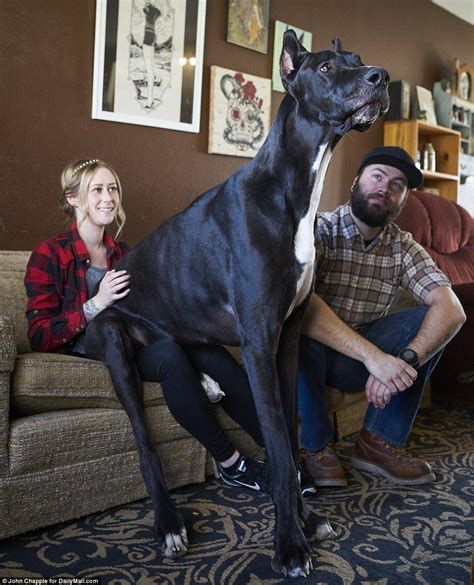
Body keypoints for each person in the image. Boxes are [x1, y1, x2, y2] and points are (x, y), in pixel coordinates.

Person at [24, 158, 272, 495]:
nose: (108, 197)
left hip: (140, 340)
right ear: (73, 198)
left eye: (112, 188)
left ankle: (278, 453)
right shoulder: (49, 255)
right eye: (97, 189)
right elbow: (39, 335)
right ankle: (232, 464)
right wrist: (97, 303)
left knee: (211, 352)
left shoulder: (125, 255)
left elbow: (154, 316)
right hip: (97, 351)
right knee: (170, 356)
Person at [297, 146, 466, 488]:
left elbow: (453, 309)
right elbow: (303, 306)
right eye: (377, 176)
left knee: (432, 323)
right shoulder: (320, 231)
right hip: (312, 355)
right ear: (356, 182)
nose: (384, 188)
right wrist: (376, 360)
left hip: (356, 361)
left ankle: (378, 443)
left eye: (397, 184)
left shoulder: (403, 247)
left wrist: (403, 359)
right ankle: (316, 447)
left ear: (402, 200)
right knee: (298, 326)